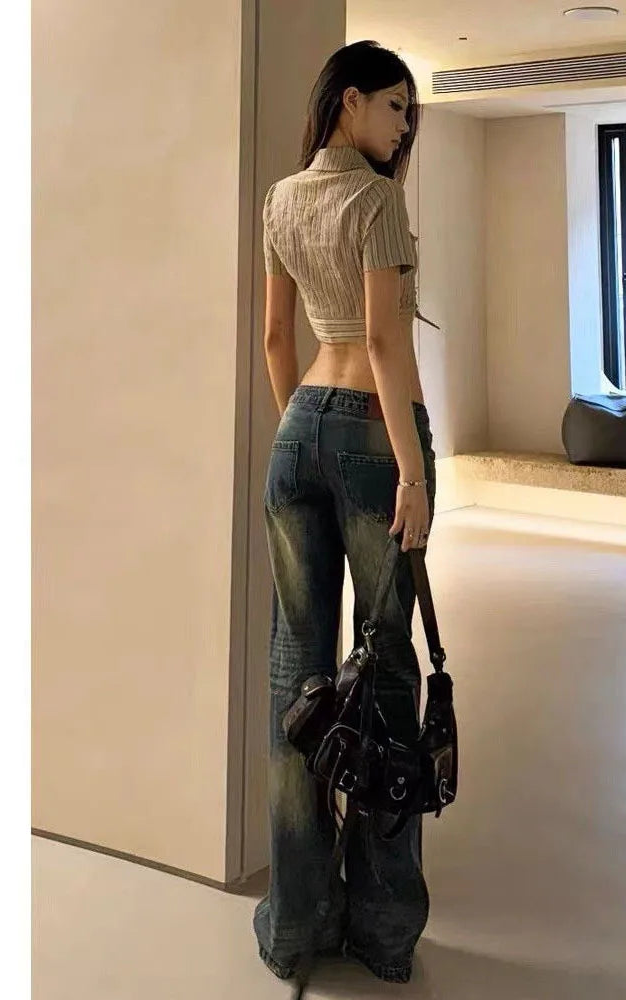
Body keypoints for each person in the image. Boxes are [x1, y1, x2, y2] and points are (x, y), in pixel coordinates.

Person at [252, 40, 436, 986]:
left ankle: (295, 922)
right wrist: (411, 473)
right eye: (395, 107)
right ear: (350, 100)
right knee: (387, 671)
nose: (404, 126)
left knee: (300, 675)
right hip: (373, 431)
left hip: (298, 432)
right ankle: (383, 926)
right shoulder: (375, 201)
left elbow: (275, 337)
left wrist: (303, 434)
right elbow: (387, 343)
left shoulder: (282, 199)